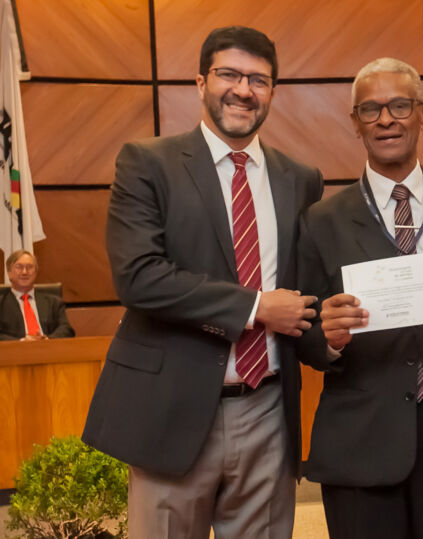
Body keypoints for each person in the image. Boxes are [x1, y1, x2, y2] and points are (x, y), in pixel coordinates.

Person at [82, 26, 323, 539]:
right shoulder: (148, 163)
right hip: (173, 410)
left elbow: (305, 288)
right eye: (229, 74)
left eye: (259, 79)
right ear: (199, 82)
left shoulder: (301, 178)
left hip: (268, 409)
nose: (243, 90)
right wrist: (256, 306)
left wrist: (334, 330)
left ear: (273, 91)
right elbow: (139, 277)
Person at [296, 57, 423, 539]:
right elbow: (302, 335)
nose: (386, 119)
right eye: (370, 109)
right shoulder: (321, 221)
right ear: (355, 123)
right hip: (360, 441)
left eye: (399, 105)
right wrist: (328, 338)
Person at [0, 249, 74, 340]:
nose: (24, 272)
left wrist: (47, 339)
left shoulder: (53, 302)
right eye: (19, 267)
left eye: (29, 267)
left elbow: (66, 329)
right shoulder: (1, 304)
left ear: (35, 272)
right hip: (14, 352)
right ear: (9, 273)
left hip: (49, 350)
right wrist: (22, 341)